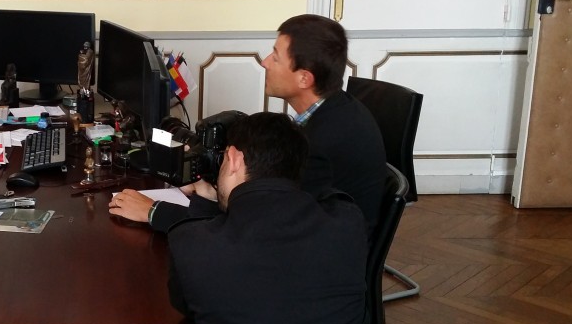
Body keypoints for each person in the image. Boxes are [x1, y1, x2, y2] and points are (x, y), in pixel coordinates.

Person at [163, 111, 382, 324]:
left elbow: (186, 306)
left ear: (233, 158)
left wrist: (208, 207)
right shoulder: (348, 223)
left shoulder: (191, 244)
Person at [110, 14, 386, 237]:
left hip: (313, 267)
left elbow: (258, 224)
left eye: (276, 57)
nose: (265, 62)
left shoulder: (320, 143)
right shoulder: (337, 109)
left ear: (304, 78)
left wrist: (154, 212)